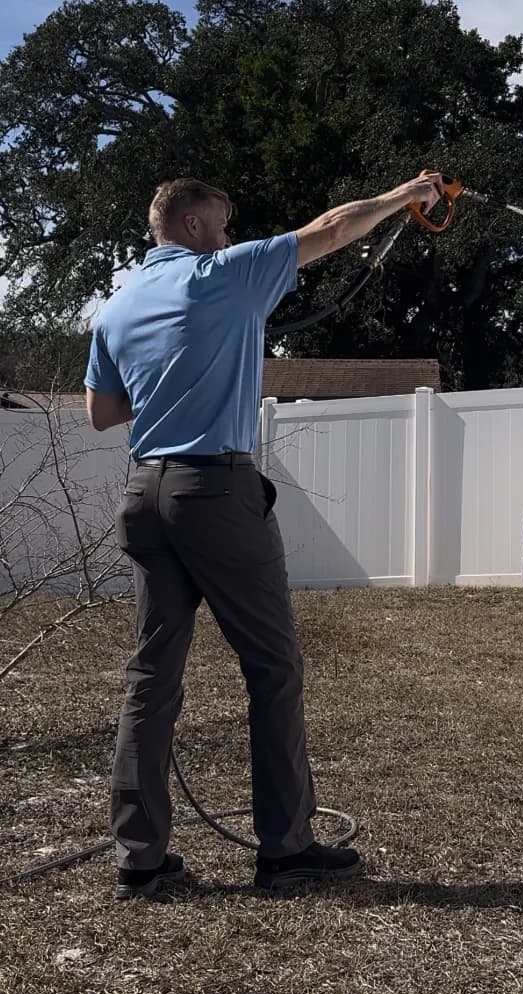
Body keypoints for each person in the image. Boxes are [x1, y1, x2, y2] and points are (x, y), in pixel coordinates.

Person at [84, 172, 443, 899]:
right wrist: (406, 196)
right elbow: (333, 228)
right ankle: (285, 851)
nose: (228, 232)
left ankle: (140, 861)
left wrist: (170, 384)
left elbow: (101, 412)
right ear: (190, 225)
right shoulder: (224, 273)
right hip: (214, 490)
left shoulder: (116, 310)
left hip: (143, 491)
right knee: (273, 668)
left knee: (151, 679)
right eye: (220, 220)